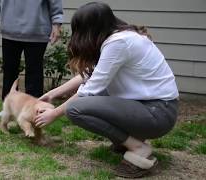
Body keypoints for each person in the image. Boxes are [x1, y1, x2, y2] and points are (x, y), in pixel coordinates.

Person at [35, 1, 179, 178]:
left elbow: (89, 89)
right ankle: (131, 140)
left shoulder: (118, 43)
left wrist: (54, 114)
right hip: (151, 107)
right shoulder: (118, 37)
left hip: (158, 113)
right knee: (92, 98)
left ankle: (138, 147)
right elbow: (90, 76)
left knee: (75, 109)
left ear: (90, 29)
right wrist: (51, 94)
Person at [0, 0, 63, 100]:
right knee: (9, 73)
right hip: (10, 30)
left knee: (34, 74)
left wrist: (56, 23)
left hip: (37, 30)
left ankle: (34, 110)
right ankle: (9, 109)